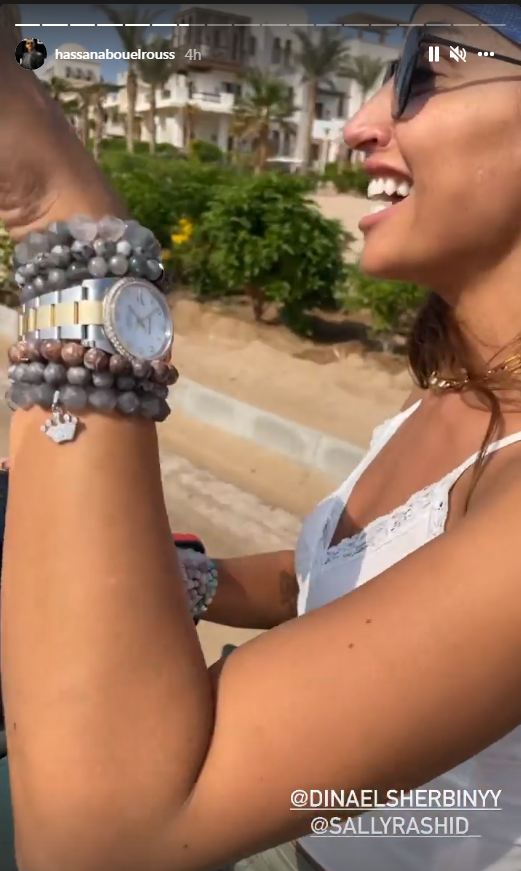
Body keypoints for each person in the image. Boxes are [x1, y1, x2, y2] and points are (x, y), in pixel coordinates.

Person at [4, 3, 521, 871]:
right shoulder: (448, 395)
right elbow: (335, 581)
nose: (359, 127)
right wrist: (174, 579)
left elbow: (106, 835)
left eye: (421, 75)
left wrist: (64, 218)